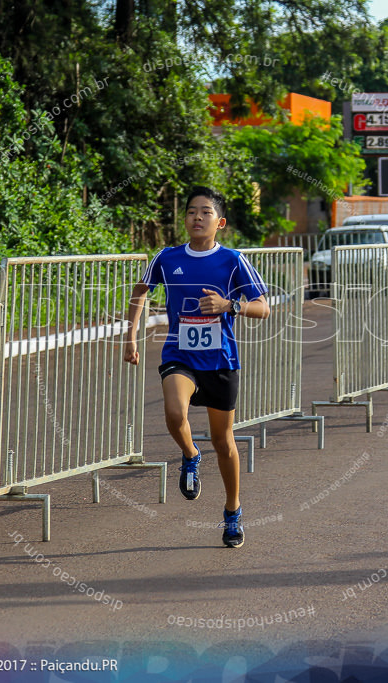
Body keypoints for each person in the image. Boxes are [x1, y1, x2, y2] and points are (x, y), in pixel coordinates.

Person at [124, 186, 270, 548]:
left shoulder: (233, 260)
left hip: (221, 359)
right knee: (175, 413)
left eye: (205, 212)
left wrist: (229, 306)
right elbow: (140, 292)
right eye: (191, 211)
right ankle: (190, 454)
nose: (197, 217)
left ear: (219, 222)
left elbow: (263, 307)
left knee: (224, 442)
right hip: (180, 354)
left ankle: (233, 511)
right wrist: (130, 336)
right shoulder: (167, 257)